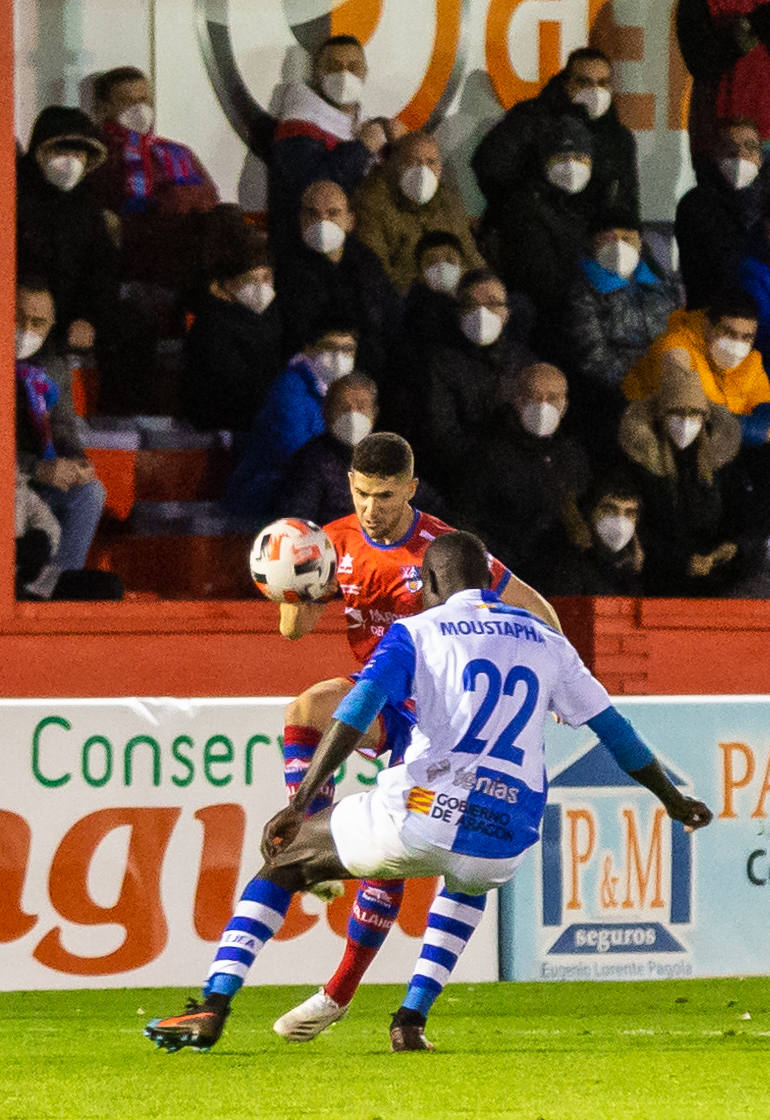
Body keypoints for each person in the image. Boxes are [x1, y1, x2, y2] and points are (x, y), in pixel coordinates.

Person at [144, 530, 712, 1054]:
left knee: (285, 863)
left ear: (431, 585)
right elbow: (615, 732)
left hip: (419, 815)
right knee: (469, 876)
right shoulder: (549, 643)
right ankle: (411, 1020)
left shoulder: (415, 631)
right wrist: (671, 799)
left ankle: (212, 1006)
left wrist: (300, 802)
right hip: (507, 836)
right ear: (490, 582)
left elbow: (355, 712)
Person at [144, 433, 563, 1050]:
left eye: (387, 496)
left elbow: (539, 610)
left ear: (411, 489)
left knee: (399, 868)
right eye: (364, 494)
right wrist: (294, 583)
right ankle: (311, 824)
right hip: (380, 694)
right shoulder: (332, 540)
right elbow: (295, 631)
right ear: (349, 486)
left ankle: (350, 991)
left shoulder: (439, 552)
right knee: (307, 706)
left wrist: (550, 680)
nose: (373, 508)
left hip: (435, 714)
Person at [619, 363, 762, 595]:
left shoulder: (719, 464)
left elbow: (743, 514)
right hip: (659, 580)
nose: (685, 421)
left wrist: (733, 546)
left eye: (693, 413)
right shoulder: (641, 466)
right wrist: (681, 560)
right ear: (662, 416)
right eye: (677, 412)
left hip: (717, 578)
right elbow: (639, 526)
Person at [472, 47, 639, 232]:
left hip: (595, 239)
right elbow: (489, 164)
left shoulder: (618, 137)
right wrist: (527, 208)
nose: (595, 91)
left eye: (603, 83)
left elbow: (627, 197)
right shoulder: (531, 119)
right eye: (584, 82)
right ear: (567, 84)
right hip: (536, 233)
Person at [268, 33, 404, 253]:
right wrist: (361, 149)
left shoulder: (369, 126)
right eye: (333, 66)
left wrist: (400, 149)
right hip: (309, 250)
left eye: (354, 66)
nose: (344, 74)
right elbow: (311, 187)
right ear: (316, 72)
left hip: (368, 248)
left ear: (365, 74)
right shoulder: (298, 123)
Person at [464, 364, 592, 589]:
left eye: (552, 398)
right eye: (534, 396)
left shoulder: (573, 456)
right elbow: (469, 518)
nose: (543, 405)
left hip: (560, 575)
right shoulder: (489, 453)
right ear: (518, 400)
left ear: (565, 406)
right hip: (507, 572)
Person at [91, 65, 219, 288]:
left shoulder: (176, 152)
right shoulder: (98, 155)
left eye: (144, 99)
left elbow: (209, 199)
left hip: (187, 265)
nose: (139, 108)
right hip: (132, 269)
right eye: (127, 101)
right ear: (104, 107)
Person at [222, 317, 359, 523]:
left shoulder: (348, 391)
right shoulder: (289, 389)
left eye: (348, 349)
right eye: (329, 347)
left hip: (315, 492)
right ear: (309, 349)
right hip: (268, 499)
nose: (340, 357)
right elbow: (298, 455)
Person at [15, 278, 106, 583]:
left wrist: (77, 461)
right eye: (18, 319)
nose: (26, 329)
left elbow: (63, 428)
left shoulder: (53, 366)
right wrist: (36, 469)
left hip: (40, 476)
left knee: (89, 492)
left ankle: (51, 587)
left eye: (37, 322)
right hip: (13, 479)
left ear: (50, 326)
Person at [276, 179, 402, 385]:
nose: (322, 221)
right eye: (313, 214)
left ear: (350, 221)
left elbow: (389, 314)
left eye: (333, 213)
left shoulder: (366, 260)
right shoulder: (285, 267)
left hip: (373, 370)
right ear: (301, 219)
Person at [16, 105, 117, 358]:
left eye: (79, 154)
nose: (70, 161)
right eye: (61, 150)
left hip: (63, 321)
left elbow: (102, 269)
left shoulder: (87, 207)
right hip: (19, 312)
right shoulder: (13, 193)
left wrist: (88, 318)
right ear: (40, 150)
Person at [422, 269, 534, 492]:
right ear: (458, 313)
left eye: (493, 303)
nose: (482, 313)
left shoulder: (523, 361)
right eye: (471, 305)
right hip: (466, 478)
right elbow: (443, 435)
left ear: (507, 313)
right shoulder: (440, 364)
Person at [622, 291, 770, 447]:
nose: (738, 345)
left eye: (746, 337)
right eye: (729, 333)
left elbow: (763, 401)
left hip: (726, 442)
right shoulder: (675, 350)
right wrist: (757, 430)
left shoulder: (751, 360)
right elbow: (692, 419)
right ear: (707, 327)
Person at [182, 208, 284, 434]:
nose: (262, 288)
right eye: (251, 280)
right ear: (220, 287)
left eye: (267, 278)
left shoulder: (274, 318)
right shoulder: (212, 329)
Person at [352, 131, 484, 295]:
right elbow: (376, 274)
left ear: (440, 168)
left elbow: (471, 255)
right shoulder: (370, 203)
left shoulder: (449, 202)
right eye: (413, 162)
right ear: (394, 164)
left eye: (430, 162)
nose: (423, 170)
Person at [676, 117, 766, 309]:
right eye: (730, 148)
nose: (741, 154)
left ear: (760, 157)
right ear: (716, 155)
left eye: (750, 147)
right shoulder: (695, 204)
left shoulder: (765, 202)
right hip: (714, 313)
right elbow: (699, 272)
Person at [543, 473, 646, 597]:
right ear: (590, 513)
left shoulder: (630, 568)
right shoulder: (564, 566)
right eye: (609, 509)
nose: (620, 520)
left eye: (630, 513)